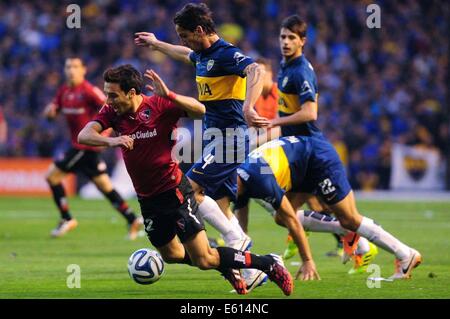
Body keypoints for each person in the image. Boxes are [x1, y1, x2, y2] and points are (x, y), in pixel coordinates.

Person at [77, 64, 294, 296]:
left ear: (131, 93)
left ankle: (267, 263)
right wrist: (112, 141)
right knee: (171, 254)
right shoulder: (111, 112)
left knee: (204, 259)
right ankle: (223, 263)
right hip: (147, 199)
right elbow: (84, 134)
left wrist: (170, 95)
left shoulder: (159, 105)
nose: (108, 99)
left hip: (175, 192)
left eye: (112, 94)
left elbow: (201, 110)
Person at [134, 3, 270, 290]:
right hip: (214, 136)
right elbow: (187, 54)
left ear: (199, 30)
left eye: (185, 35)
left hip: (230, 137)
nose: (183, 41)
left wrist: (249, 105)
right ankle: (248, 265)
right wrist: (158, 44)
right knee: (218, 203)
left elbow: (256, 69)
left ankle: (237, 240)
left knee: (189, 189)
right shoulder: (203, 55)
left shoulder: (226, 53)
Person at [237, 135, 422, 280]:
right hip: (300, 163)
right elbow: (241, 229)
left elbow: (292, 221)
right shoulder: (238, 181)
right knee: (281, 217)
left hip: (317, 159)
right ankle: (347, 233)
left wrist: (308, 261)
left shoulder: (258, 178)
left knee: (349, 218)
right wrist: (242, 261)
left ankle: (405, 254)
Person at [268, 15, 345, 260]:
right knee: (285, 213)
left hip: (310, 151)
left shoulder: (300, 70)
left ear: (303, 41)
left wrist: (275, 121)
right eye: (283, 37)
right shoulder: (285, 67)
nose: (286, 42)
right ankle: (350, 237)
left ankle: (392, 249)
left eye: (292, 38)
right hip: (297, 150)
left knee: (343, 214)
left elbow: (310, 112)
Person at [43, 57, 141, 239]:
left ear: (83, 70)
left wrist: (104, 137)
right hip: (82, 146)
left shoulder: (89, 91)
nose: (71, 70)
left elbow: (111, 110)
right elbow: (53, 111)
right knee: (105, 187)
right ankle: (131, 217)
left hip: (84, 146)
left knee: (52, 176)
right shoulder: (64, 91)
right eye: (68, 66)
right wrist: (49, 112)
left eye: (75, 66)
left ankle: (66, 218)